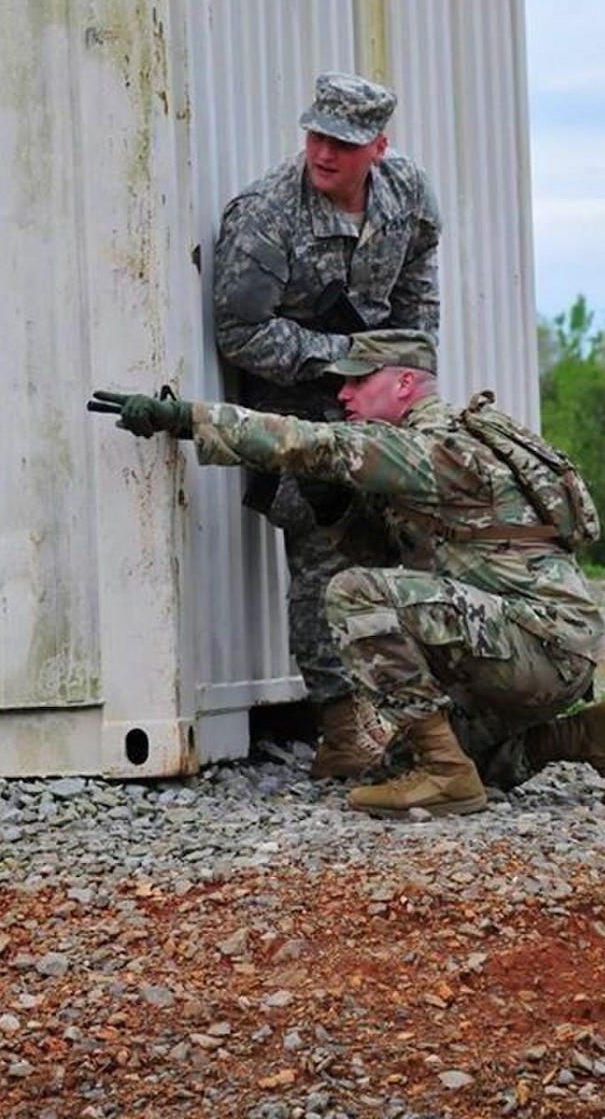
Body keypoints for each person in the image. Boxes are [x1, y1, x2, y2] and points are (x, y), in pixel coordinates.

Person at [88, 331, 605, 818]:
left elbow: (313, 443)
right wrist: (330, 505)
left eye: (360, 382)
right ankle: (587, 733)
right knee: (398, 765)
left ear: (404, 384)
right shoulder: (438, 453)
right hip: (539, 651)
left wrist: (184, 418)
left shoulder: (435, 446)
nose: (344, 394)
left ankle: (448, 775)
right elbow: (378, 548)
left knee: (355, 597)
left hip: (538, 647)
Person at [211, 71, 442, 782]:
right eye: (315, 135)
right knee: (322, 542)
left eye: (341, 141)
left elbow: (417, 288)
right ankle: (340, 724)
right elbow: (238, 333)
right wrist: (339, 358)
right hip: (294, 400)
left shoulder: (406, 195)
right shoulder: (267, 215)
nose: (323, 153)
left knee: (415, 530)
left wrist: (402, 374)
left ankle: (421, 713)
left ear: (379, 144)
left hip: (378, 396)